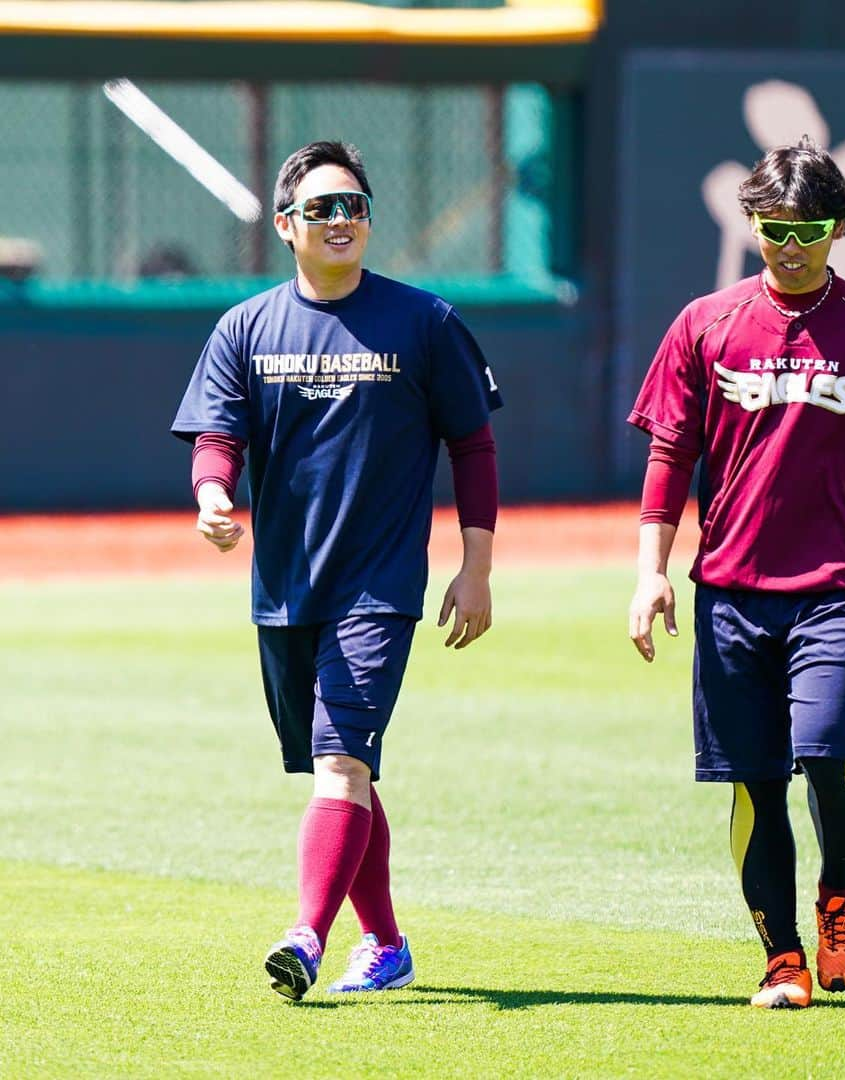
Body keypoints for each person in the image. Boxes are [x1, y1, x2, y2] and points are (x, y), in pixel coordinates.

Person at [627, 137, 845, 1009]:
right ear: (753, 223)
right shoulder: (705, 323)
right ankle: (781, 958)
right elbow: (670, 452)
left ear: (841, 226)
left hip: (840, 589)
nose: (791, 245)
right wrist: (649, 573)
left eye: (810, 228)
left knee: (827, 757)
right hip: (731, 593)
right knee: (754, 780)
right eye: (775, 228)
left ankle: (839, 894)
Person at [172, 140, 501, 1000]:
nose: (341, 220)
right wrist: (213, 494)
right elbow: (218, 436)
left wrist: (476, 566)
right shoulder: (245, 327)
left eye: (353, 205)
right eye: (321, 208)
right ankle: (387, 945)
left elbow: (472, 443)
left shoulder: (425, 321)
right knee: (342, 767)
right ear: (286, 226)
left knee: (341, 766)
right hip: (285, 587)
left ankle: (306, 940)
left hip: (380, 586)